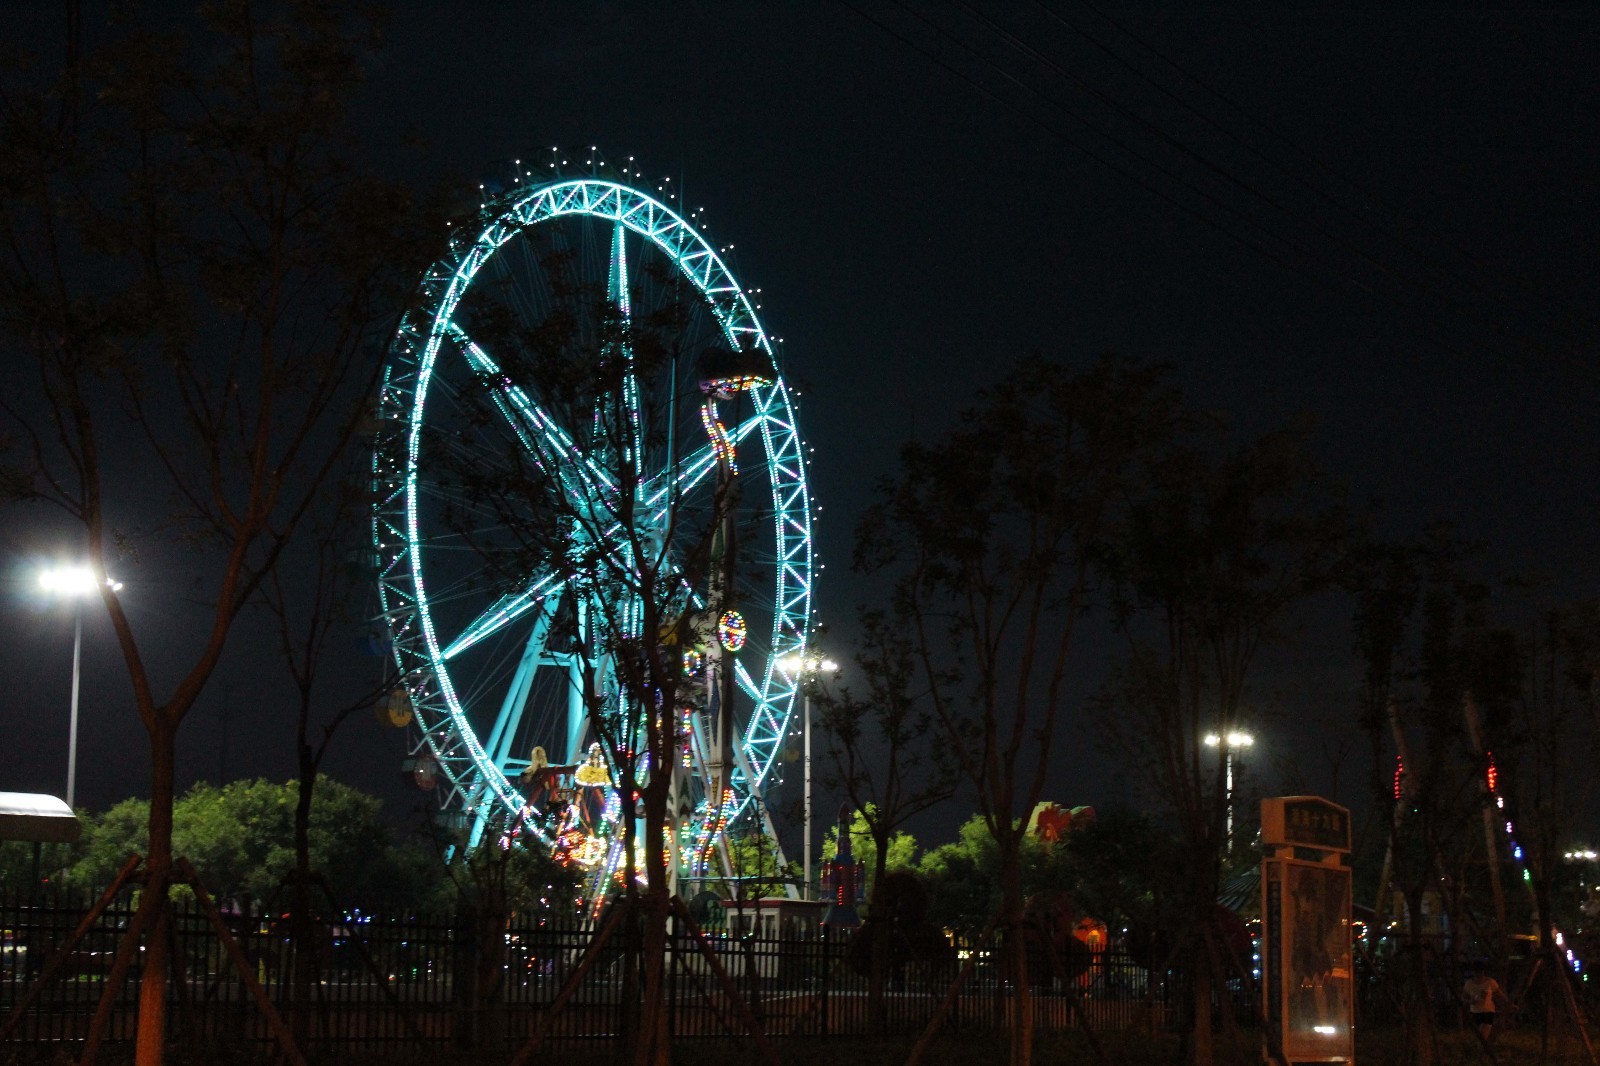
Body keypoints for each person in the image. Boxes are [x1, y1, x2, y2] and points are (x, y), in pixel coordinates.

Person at [1463, 965, 1506, 1042]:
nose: (1479, 974)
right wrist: (1470, 1001)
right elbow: (1464, 997)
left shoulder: (1490, 982)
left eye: (1481, 971)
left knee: (1483, 1035)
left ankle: (1481, 1051)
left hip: (1488, 1012)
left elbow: (1499, 994)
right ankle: (1482, 1051)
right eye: (1477, 972)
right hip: (1475, 1012)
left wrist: (1508, 1003)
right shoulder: (1469, 984)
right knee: (1479, 1036)